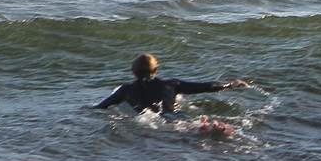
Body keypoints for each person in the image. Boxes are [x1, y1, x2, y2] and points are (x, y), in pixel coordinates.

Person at [95, 53, 249, 115]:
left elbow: (101, 107)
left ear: (133, 71)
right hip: (174, 118)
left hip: (152, 123)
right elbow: (204, 87)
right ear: (156, 69)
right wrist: (230, 84)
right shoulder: (172, 84)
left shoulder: (125, 90)